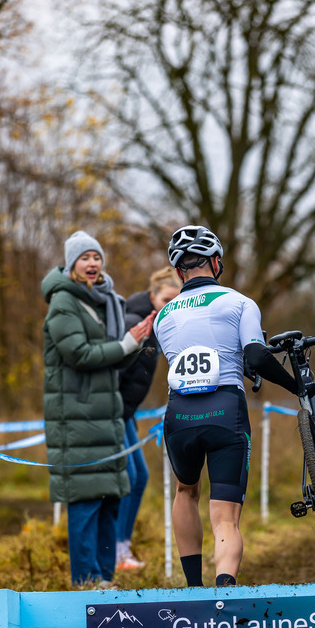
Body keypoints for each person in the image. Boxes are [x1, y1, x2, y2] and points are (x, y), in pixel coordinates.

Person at [154, 224, 300, 588]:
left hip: (179, 416)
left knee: (185, 491)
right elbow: (256, 355)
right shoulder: (239, 302)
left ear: (178, 271)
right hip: (225, 410)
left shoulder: (162, 316)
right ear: (216, 263)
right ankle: (223, 589)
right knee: (225, 519)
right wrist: (296, 387)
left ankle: (192, 591)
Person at [42, 231, 152, 587]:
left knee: (110, 499)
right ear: (71, 264)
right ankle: (85, 581)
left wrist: (135, 342)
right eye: (85, 258)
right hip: (77, 419)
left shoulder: (106, 301)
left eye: (97, 257)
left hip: (108, 417)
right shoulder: (63, 302)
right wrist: (124, 344)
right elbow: (80, 355)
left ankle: (105, 578)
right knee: (86, 502)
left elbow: (114, 361)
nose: (92, 264)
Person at [115, 268, 180, 571]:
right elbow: (114, 370)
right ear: (153, 296)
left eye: (176, 300)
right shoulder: (133, 322)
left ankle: (122, 547)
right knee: (128, 478)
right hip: (113, 412)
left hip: (126, 413)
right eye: (166, 299)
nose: (171, 305)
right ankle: (116, 550)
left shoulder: (160, 325)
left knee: (139, 477)